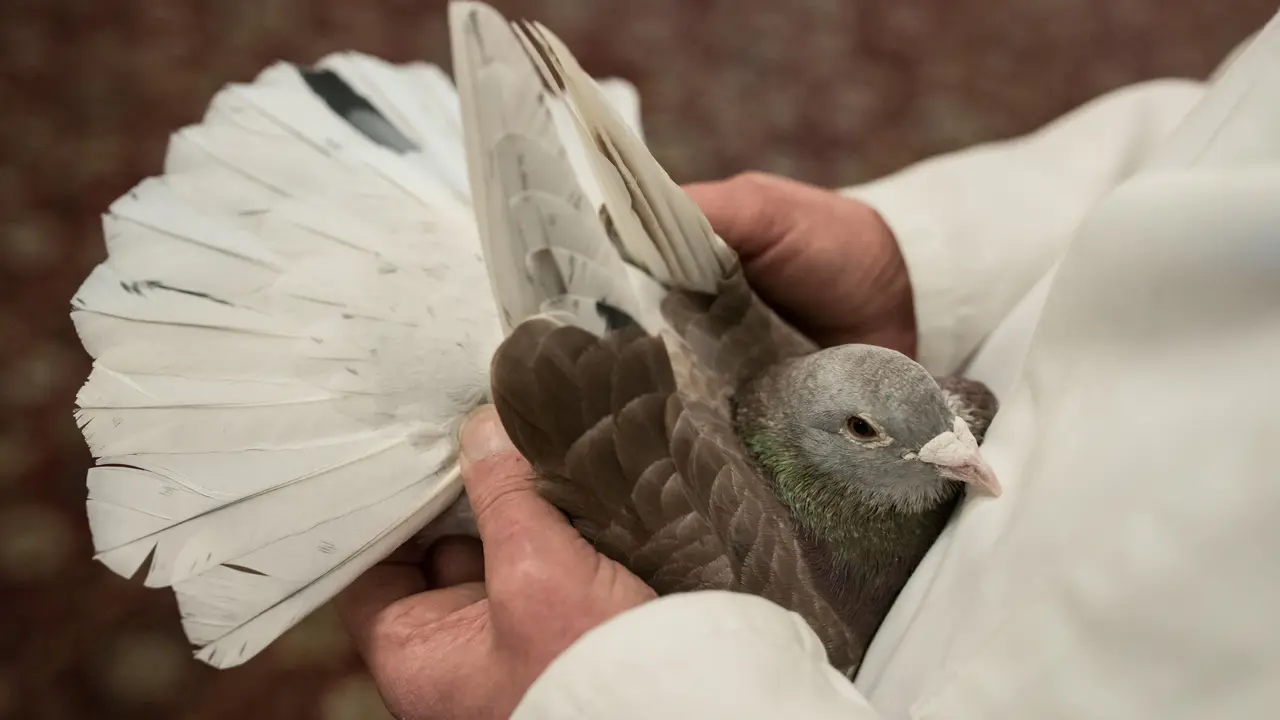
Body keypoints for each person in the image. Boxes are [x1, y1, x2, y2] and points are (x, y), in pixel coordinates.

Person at [337, 17, 1280, 720]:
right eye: (870, 429)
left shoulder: (922, 445)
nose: (966, 440)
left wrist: (608, 696)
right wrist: (929, 262)